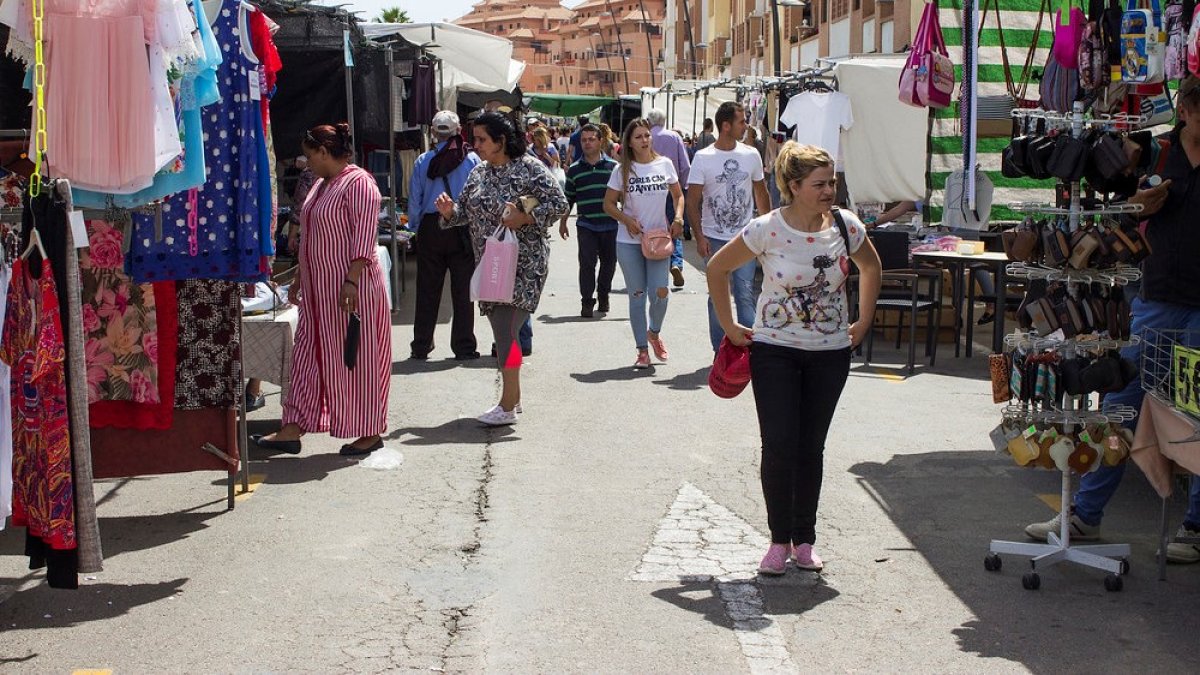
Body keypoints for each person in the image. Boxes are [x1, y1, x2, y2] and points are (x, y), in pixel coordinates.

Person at [1025, 85, 1200, 564]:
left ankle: (1195, 525)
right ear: (1186, 111)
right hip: (1156, 295)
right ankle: (1085, 513)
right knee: (1119, 401)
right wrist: (1141, 205)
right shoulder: (1157, 151)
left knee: (1196, 409)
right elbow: (1117, 213)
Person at [708, 142, 881, 575]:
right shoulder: (767, 228)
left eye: (832, 182)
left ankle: (804, 541)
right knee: (779, 444)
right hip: (774, 352)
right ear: (793, 186)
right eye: (819, 184)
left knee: (810, 447)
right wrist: (730, 326)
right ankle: (777, 540)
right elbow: (716, 267)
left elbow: (871, 267)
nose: (829, 191)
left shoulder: (845, 226)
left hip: (830, 354)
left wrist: (863, 321)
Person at [252, 123, 393, 457]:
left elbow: (364, 237)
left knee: (356, 358)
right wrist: (300, 276)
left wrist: (351, 280)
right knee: (307, 357)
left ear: (325, 152)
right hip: (318, 293)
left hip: (350, 292)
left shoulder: (359, 184)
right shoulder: (320, 184)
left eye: (311, 156)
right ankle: (293, 427)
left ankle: (370, 431)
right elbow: (311, 236)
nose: (307, 162)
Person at [434, 112, 568, 426]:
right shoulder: (479, 172)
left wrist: (526, 216)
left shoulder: (530, 167)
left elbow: (559, 203)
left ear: (501, 141)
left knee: (507, 332)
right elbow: (464, 211)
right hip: (491, 265)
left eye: (482, 139)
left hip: (525, 264)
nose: (475, 145)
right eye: (475, 139)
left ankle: (507, 405)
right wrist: (450, 211)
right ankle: (513, 398)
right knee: (503, 332)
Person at [687, 101, 772, 353]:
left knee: (745, 292)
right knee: (718, 296)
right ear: (726, 126)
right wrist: (699, 237)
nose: (746, 126)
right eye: (741, 122)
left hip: (745, 237)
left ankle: (750, 351)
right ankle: (721, 351)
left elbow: (761, 192)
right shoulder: (703, 158)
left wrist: (768, 232)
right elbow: (693, 200)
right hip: (713, 237)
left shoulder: (751, 154)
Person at [603, 118, 685, 369]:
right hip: (629, 241)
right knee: (637, 296)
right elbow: (608, 204)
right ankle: (641, 350)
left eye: (647, 135)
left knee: (660, 292)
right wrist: (626, 220)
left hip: (658, 239)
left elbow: (678, 195)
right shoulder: (622, 170)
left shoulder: (665, 164)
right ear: (629, 142)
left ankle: (654, 332)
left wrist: (678, 217)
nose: (644, 140)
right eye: (638, 137)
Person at [408, 110, 481, 361]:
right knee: (463, 290)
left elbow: (415, 199)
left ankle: (421, 345)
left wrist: (415, 228)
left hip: (431, 227)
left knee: (427, 289)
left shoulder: (423, 160)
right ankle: (464, 346)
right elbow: (477, 198)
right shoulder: (471, 160)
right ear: (458, 131)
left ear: (433, 132)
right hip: (461, 226)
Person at [559, 124, 619, 317]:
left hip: (610, 224)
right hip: (586, 225)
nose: (587, 143)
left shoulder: (613, 168)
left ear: (600, 141)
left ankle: (603, 294)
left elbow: (623, 196)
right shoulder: (574, 170)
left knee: (609, 263)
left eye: (591, 139)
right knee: (586, 264)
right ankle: (586, 301)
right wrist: (563, 222)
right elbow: (568, 198)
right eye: (584, 140)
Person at [646, 108, 691, 288]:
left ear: (649, 121)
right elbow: (685, 166)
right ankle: (676, 262)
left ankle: (655, 261)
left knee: (653, 227)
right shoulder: (674, 137)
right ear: (664, 121)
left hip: (649, 190)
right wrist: (683, 187)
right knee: (674, 227)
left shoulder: (645, 137)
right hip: (672, 188)